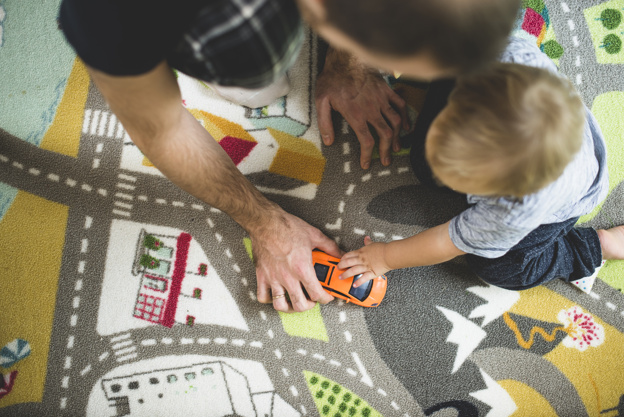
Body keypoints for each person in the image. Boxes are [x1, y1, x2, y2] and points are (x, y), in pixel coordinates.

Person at [58, 0, 521, 311]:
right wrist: (265, 223)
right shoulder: (108, 20)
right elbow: (161, 130)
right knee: (258, 92)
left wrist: (349, 63)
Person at [338, 37, 624, 291]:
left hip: (562, 203)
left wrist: (383, 257)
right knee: (425, 160)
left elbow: (445, 242)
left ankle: (594, 248)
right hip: (541, 130)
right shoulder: (502, 50)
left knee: (498, 268)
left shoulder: (514, 208)